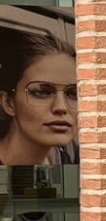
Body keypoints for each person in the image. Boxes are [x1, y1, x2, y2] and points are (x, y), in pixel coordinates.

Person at [0, 26, 78, 165]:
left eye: (73, 94)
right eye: (42, 92)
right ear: (8, 103)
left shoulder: (66, 161)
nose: (61, 107)